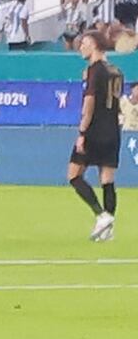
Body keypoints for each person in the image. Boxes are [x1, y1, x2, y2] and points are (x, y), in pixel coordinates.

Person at [75, 30, 119, 243]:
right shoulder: (115, 70)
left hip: (94, 129)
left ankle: (101, 215)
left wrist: (82, 132)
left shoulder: (95, 70)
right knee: (107, 179)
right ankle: (108, 227)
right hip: (113, 129)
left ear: (93, 44)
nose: (80, 47)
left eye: (83, 43)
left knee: (74, 175)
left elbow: (89, 103)